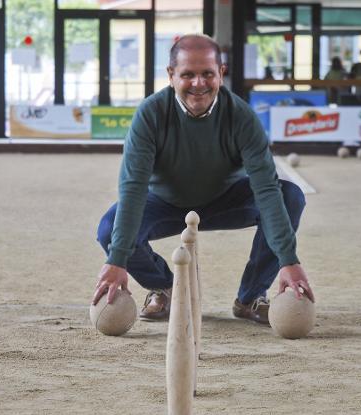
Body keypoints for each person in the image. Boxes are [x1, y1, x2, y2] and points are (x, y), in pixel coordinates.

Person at [92, 34, 314, 326]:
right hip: (165, 201)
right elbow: (133, 188)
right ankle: (167, 287)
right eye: (188, 75)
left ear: (221, 73)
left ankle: (250, 297)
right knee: (110, 230)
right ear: (171, 75)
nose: (199, 83)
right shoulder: (150, 115)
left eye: (207, 73)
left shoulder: (242, 118)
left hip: (226, 199)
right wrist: (117, 259)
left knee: (290, 196)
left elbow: (266, 189)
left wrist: (289, 260)